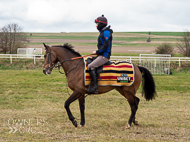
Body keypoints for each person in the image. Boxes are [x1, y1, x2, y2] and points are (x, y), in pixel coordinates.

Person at [87, 15, 113, 94]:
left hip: (104, 56)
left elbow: (106, 46)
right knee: (88, 60)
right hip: (101, 55)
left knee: (90, 66)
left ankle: (95, 88)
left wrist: (97, 52)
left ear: (101, 24)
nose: (96, 26)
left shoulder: (106, 32)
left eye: (97, 24)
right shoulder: (103, 32)